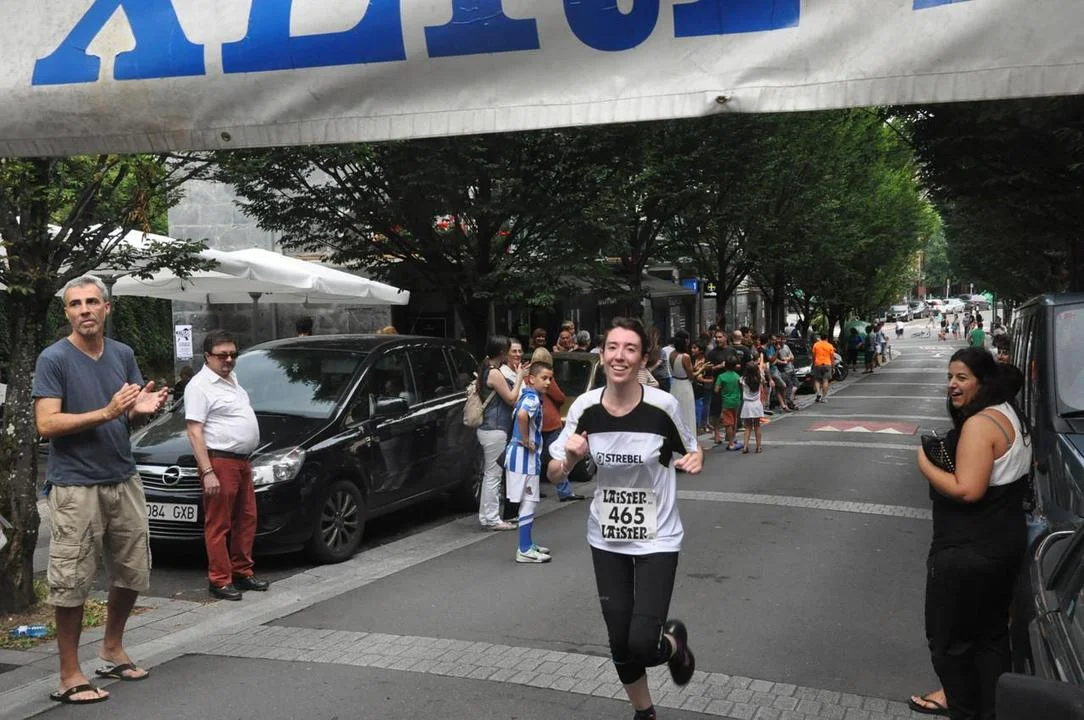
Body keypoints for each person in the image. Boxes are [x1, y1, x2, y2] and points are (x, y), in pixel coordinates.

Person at [546, 317, 702, 720]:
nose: (619, 356)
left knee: (642, 643)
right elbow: (554, 473)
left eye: (630, 349)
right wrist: (570, 460)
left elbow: (692, 446)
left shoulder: (662, 407)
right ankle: (644, 713)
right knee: (619, 641)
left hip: (658, 536)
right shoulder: (585, 407)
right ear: (602, 354)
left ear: (642, 359)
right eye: (612, 347)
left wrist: (695, 458)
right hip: (606, 536)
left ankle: (673, 645)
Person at [33, 275, 168, 705]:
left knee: (132, 571)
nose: (85, 310)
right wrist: (107, 411)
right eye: (76, 304)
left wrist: (141, 411)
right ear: (67, 312)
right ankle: (69, 675)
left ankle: (111, 650)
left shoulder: (123, 354)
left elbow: (127, 413)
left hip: (122, 477)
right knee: (72, 580)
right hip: (75, 485)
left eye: (92, 302)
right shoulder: (54, 358)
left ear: (107, 308)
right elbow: (46, 423)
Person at [915, 349, 1031, 720]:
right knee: (991, 637)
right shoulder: (1010, 413)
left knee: (950, 644)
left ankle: (964, 710)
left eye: (962, 377)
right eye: (950, 376)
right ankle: (993, 711)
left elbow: (968, 489)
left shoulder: (981, 424)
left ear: (983, 381)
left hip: (968, 551)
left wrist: (923, 462)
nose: (952, 384)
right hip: (1003, 544)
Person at [185, 330, 268, 601]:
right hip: (220, 461)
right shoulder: (199, 386)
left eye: (233, 354)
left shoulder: (231, 379)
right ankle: (219, 579)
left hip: (241, 461)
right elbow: (194, 431)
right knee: (219, 523)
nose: (229, 360)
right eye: (222, 355)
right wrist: (207, 471)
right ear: (207, 356)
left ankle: (242, 571)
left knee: (246, 518)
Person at [505, 361, 555, 563]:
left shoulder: (527, 395)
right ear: (532, 379)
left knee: (528, 502)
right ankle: (524, 548)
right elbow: (523, 415)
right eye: (544, 378)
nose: (548, 382)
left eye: (550, 378)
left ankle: (527, 543)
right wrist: (526, 440)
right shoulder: (533, 398)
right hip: (524, 459)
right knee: (529, 502)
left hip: (519, 457)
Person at [476, 336, 523, 532]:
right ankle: (492, 519)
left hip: (488, 428)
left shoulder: (486, 368)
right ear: (502, 352)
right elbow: (511, 399)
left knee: (490, 474)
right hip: (495, 428)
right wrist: (520, 377)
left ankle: (487, 516)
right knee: (493, 475)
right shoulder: (494, 373)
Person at [531, 348, 585, 502]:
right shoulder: (548, 377)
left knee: (534, 459)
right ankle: (565, 492)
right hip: (550, 423)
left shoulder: (529, 377)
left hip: (535, 424)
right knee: (558, 456)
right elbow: (560, 397)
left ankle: (533, 490)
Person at [667, 332, 697, 444]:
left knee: (677, 413)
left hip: (674, 384)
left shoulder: (671, 354)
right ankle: (689, 441)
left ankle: (676, 440)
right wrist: (702, 369)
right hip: (685, 386)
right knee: (687, 413)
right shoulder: (685, 356)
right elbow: (691, 376)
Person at [715, 358, 742, 451]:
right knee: (734, 421)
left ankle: (731, 443)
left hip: (726, 402)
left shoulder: (721, 376)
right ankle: (733, 439)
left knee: (728, 423)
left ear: (725, 366)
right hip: (736, 401)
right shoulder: (737, 376)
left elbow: (716, 390)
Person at [739, 361, 765, 454]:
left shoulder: (743, 379)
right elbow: (762, 379)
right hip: (756, 403)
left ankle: (745, 447)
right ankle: (759, 447)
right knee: (757, 425)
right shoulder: (759, 378)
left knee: (747, 426)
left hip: (747, 404)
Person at [811, 333, 835, 402]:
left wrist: (813, 363)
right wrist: (833, 366)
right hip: (827, 364)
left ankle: (818, 393)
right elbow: (832, 357)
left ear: (820, 338)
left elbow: (813, 355)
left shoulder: (816, 345)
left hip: (818, 364)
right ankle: (823, 398)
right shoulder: (830, 345)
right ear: (826, 338)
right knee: (825, 380)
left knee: (817, 380)